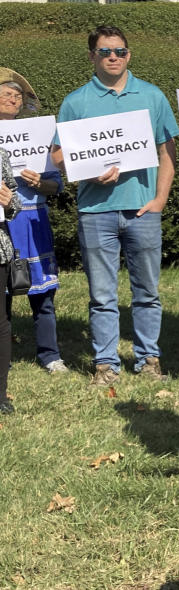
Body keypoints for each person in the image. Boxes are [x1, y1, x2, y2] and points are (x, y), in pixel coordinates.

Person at [51, 25, 179, 386]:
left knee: (148, 292)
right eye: (106, 51)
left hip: (142, 210)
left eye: (120, 51)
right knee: (102, 295)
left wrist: (160, 199)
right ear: (92, 56)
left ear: (129, 55)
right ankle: (106, 364)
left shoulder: (152, 96)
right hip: (95, 212)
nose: (113, 57)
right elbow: (58, 152)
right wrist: (88, 173)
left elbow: (167, 152)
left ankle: (148, 359)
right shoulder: (76, 101)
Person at [0, 69, 66, 373]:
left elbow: (57, 185)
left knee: (43, 294)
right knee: (2, 294)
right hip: (1, 223)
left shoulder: (37, 137)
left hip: (32, 218)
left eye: (17, 95)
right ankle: (4, 357)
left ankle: (50, 354)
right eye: (5, 92)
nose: (12, 98)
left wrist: (40, 182)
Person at [0, 146, 23, 412]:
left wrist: (9, 202)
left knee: (0, 323)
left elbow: (16, 204)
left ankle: (1, 396)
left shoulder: (1, 155)